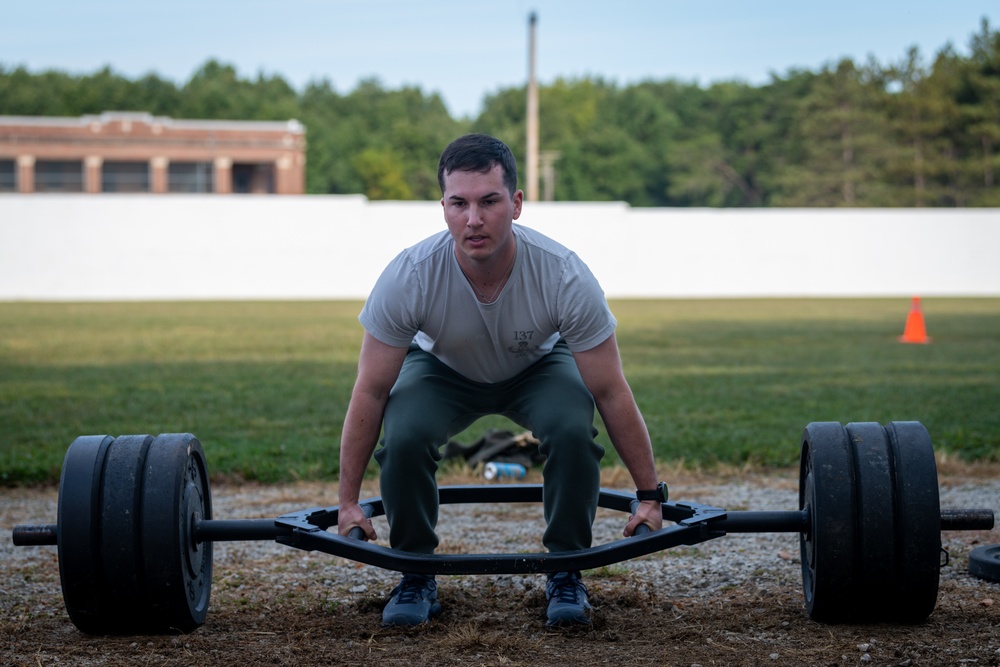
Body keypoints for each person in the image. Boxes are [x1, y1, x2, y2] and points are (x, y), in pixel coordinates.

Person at [337, 133, 663, 627]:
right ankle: (414, 573)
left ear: (515, 205)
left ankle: (567, 570)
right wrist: (346, 503)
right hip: (441, 368)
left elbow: (610, 390)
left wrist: (648, 496)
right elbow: (371, 390)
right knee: (404, 435)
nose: (473, 219)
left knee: (572, 429)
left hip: (537, 366)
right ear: (442, 207)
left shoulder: (564, 275)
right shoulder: (410, 274)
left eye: (489, 201)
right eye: (458, 203)